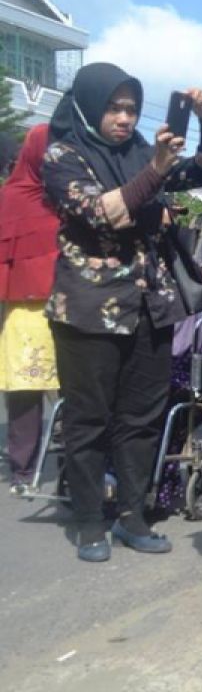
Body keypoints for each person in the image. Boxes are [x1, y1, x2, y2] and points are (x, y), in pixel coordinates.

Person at [41, 63, 202, 561]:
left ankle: (131, 514)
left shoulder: (143, 154)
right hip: (88, 311)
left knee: (142, 418)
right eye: (114, 108)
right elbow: (103, 212)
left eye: (130, 109)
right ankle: (86, 519)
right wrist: (157, 172)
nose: (124, 119)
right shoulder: (63, 154)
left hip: (151, 307)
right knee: (89, 420)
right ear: (88, 107)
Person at [0, 125, 59, 494]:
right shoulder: (10, 197)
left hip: (70, 305)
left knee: (76, 392)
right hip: (25, 311)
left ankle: (70, 466)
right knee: (24, 392)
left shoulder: (70, 195)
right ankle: (22, 469)